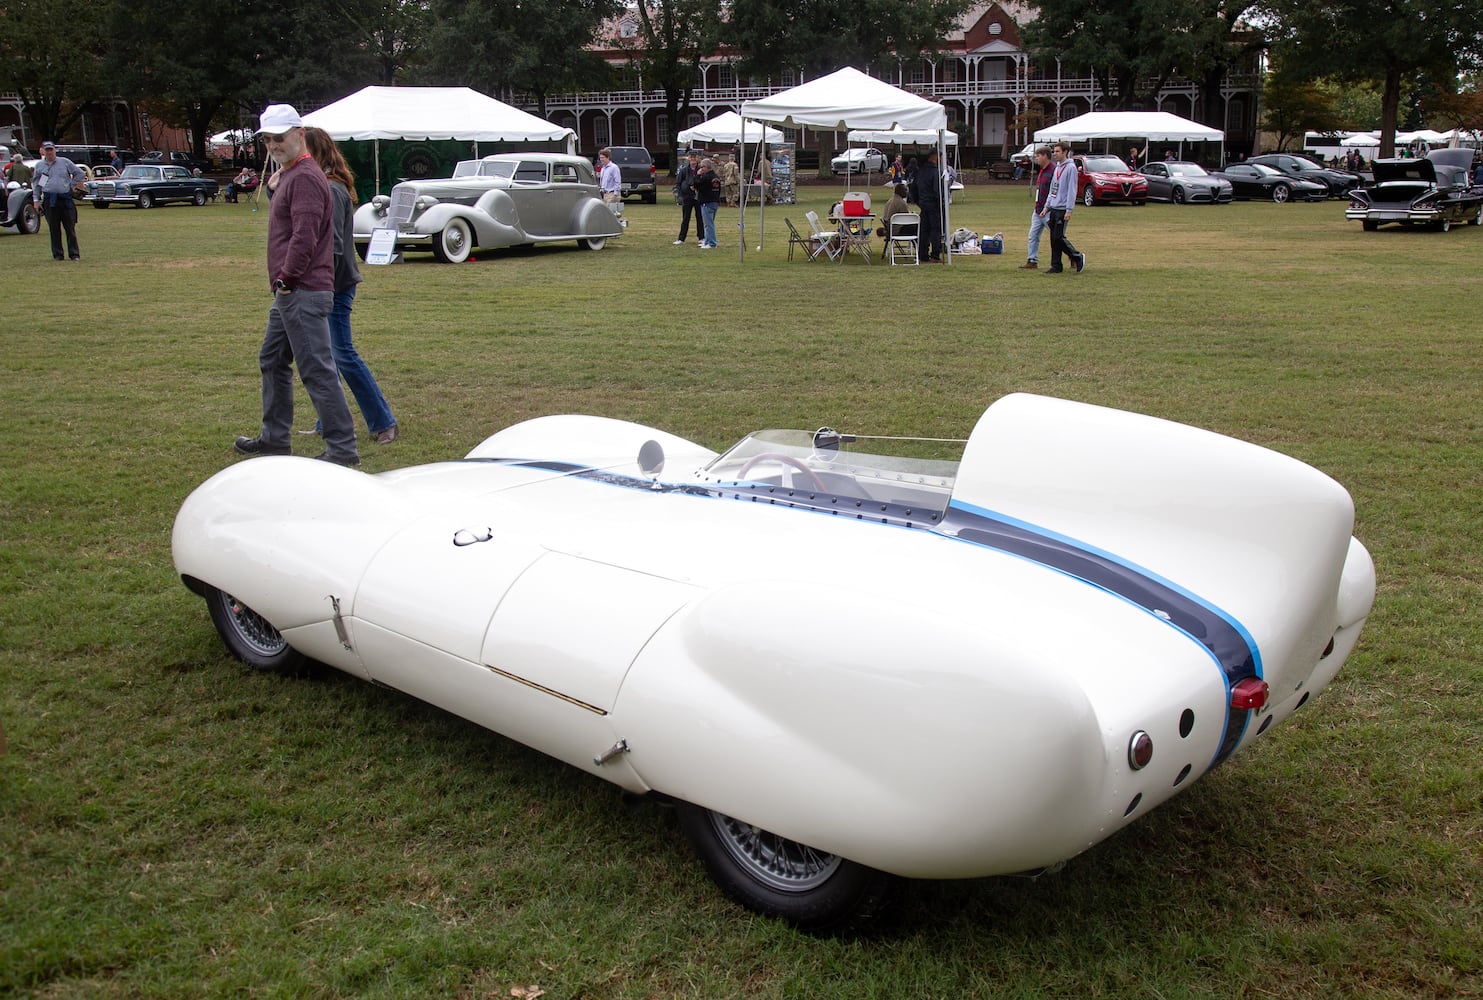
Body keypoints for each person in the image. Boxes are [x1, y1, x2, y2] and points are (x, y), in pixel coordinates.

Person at [233, 103, 359, 467]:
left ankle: (342, 449)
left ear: (300, 135)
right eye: (268, 139)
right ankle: (274, 439)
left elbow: (305, 235)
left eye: (280, 138)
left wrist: (286, 279)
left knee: (317, 369)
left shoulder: (304, 176)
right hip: (293, 290)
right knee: (272, 358)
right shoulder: (293, 173)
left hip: (301, 289)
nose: (273, 145)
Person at [303, 126, 399, 446]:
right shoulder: (325, 185)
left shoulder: (330, 189)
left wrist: (317, 285)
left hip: (334, 286)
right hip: (326, 284)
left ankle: (383, 422)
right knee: (326, 356)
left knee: (342, 354)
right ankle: (327, 421)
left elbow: (331, 246)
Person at [31, 141, 86, 261]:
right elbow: (37, 184)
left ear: (55, 150)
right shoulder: (40, 166)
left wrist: (71, 185)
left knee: (70, 227)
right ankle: (58, 254)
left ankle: (74, 254)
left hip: (65, 198)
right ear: (43, 151)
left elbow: (80, 173)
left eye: (51, 149)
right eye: (47, 150)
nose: (49, 152)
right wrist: (36, 199)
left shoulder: (65, 162)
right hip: (50, 199)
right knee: (54, 228)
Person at [1042, 141, 1084, 274]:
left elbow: (1072, 189)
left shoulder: (1070, 168)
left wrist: (1069, 209)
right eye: (1054, 151)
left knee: (1058, 237)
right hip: (1054, 207)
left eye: (1057, 151)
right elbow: (1053, 189)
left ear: (1065, 152)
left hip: (1062, 208)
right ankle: (1056, 265)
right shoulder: (1057, 168)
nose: (1055, 154)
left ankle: (1077, 256)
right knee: (1053, 239)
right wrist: (1047, 206)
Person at [1021, 145, 1053, 270]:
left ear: (1045, 156)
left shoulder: (1053, 171)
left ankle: (1073, 255)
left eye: (1038, 156)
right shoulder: (1041, 171)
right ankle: (1032, 260)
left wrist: (1048, 207)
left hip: (1048, 211)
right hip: (1038, 210)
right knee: (1033, 235)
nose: (1036, 159)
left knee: (1057, 236)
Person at [916, 149, 944, 263]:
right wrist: (940, 202)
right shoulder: (935, 172)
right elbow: (937, 190)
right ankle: (935, 254)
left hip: (923, 203)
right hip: (933, 204)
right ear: (934, 157)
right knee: (935, 229)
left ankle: (923, 254)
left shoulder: (921, 171)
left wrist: (919, 201)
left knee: (924, 229)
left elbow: (914, 188)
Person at [673, 150, 699, 244]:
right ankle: (681, 238)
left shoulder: (700, 169)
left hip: (698, 197)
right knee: (685, 218)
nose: (693, 159)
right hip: (687, 197)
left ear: (697, 158)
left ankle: (701, 237)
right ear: (688, 158)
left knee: (699, 218)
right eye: (691, 157)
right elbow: (678, 183)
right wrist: (680, 196)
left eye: (694, 157)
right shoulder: (684, 170)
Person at [693, 157, 721, 249]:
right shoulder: (716, 177)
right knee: (709, 223)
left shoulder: (706, 177)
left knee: (708, 224)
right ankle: (707, 241)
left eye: (702, 167)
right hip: (714, 202)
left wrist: (697, 175)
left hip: (707, 202)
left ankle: (712, 243)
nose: (701, 169)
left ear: (706, 167)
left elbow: (697, 184)